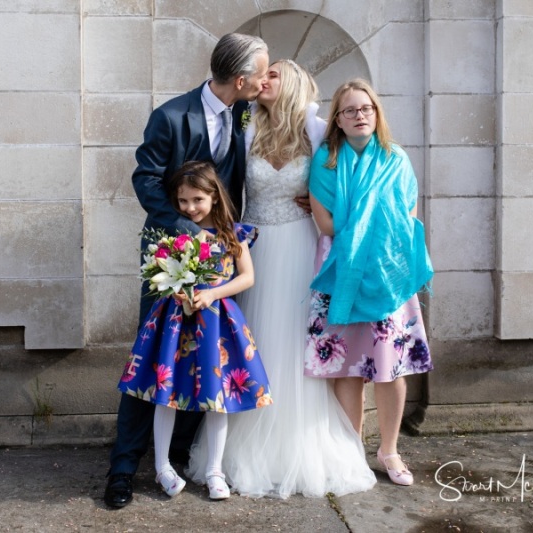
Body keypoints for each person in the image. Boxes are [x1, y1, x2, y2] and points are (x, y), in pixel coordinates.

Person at [187, 60, 376, 498]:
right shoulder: (247, 127)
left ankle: (298, 444)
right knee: (250, 340)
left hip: (298, 245)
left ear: (290, 83)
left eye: (271, 74)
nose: (262, 80)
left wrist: (322, 204)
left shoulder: (316, 127)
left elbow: (351, 169)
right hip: (253, 247)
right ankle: (235, 445)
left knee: (294, 341)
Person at [104, 33, 269, 509]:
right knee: (153, 357)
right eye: (261, 72)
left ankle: (178, 457)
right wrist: (188, 232)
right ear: (241, 79)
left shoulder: (242, 111)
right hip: (168, 254)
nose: (265, 79)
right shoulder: (171, 116)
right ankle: (122, 468)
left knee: (207, 359)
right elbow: (145, 177)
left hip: (222, 258)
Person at [118, 161, 272, 501]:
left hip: (217, 321)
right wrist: (176, 288)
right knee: (166, 392)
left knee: (216, 397)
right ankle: (162, 467)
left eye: (198, 200)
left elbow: (247, 277)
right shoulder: (176, 232)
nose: (190, 207)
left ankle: (215, 471)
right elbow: (159, 272)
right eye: (183, 201)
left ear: (214, 196)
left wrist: (213, 293)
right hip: (175, 322)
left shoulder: (233, 233)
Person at [306, 78, 434, 487]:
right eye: (349, 110)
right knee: (348, 367)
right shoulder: (326, 160)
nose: (359, 115)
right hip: (342, 273)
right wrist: (365, 229)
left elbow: (407, 211)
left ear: (376, 114)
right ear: (337, 121)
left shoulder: (396, 157)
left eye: (366, 109)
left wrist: (373, 237)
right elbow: (325, 221)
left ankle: (390, 450)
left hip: (388, 275)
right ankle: (352, 452)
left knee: (390, 367)